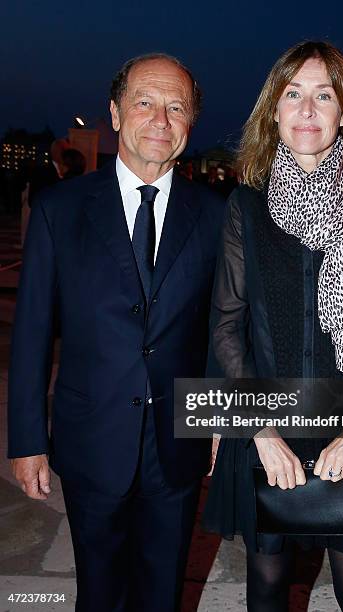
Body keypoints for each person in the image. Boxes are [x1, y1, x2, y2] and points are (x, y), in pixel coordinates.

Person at [203, 41, 343, 611]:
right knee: (268, 586)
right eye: (292, 94)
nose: (306, 109)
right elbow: (226, 325)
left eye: (323, 95)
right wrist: (262, 434)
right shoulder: (246, 206)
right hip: (266, 422)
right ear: (272, 110)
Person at [8, 53, 225, 612]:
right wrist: (28, 439)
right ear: (115, 112)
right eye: (145, 103)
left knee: (162, 593)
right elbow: (32, 332)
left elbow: (226, 323)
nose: (160, 119)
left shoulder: (217, 215)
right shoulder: (61, 209)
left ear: (191, 122)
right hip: (90, 436)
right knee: (98, 592)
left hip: (178, 445)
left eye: (176, 107)